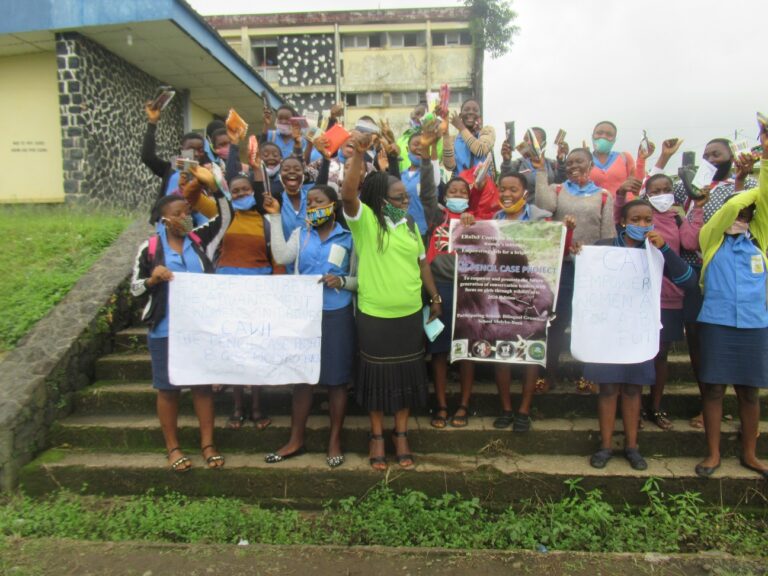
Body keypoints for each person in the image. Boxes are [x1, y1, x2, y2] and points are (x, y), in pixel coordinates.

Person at [342, 131, 442, 470]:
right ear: (380, 199)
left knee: (406, 379)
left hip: (410, 315)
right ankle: (376, 437)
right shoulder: (367, 224)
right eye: (397, 199)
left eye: (405, 198)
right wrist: (358, 154)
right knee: (376, 380)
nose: (403, 203)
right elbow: (347, 194)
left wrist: (435, 297)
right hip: (374, 316)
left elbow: (422, 263)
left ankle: (401, 434)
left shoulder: (411, 224)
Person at [129, 165, 233, 472]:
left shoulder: (200, 241)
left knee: (202, 387)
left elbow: (226, 217)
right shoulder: (148, 249)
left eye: (188, 210)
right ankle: (173, 448)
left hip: (199, 331)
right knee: (168, 389)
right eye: (179, 212)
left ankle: (207, 444)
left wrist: (214, 188)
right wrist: (152, 280)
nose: (186, 215)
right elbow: (134, 289)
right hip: (165, 330)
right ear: (164, 219)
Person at [583, 199, 697, 470]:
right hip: (607, 330)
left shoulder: (656, 251)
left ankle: (632, 447)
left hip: (639, 330)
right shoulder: (604, 247)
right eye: (636, 220)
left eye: (648, 220)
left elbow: (688, 281)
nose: (643, 225)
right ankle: (606, 446)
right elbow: (586, 278)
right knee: (608, 387)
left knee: (634, 388)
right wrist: (579, 253)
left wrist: (666, 249)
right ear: (623, 222)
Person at [655, 138, 759, 428]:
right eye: (706, 154)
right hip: (691, 275)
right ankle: (707, 403)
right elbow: (654, 189)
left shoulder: (744, 185)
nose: (711, 158)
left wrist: (739, 179)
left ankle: (738, 406)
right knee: (699, 343)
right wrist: (662, 158)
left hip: (727, 272)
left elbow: (746, 211)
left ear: (731, 157)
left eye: (717, 154)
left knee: (726, 340)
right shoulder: (691, 186)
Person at [183, 134, 282, 431]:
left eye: (244, 190)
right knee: (233, 353)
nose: (240, 194)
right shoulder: (221, 215)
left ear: (253, 191)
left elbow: (277, 258)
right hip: (227, 293)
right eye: (235, 191)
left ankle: (256, 407)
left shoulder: (266, 221)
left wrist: (278, 291)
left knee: (255, 351)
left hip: (259, 294)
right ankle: (238, 407)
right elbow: (190, 198)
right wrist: (198, 178)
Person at [262, 184, 357, 468]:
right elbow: (281, 257)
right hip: (303, 316)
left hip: (337, 314)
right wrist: (276, 217)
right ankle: (296, 439)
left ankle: (334, 441)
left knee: (337, 381)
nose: (313, 207)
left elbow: (360, 280)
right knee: (302, 379)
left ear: (333, 206)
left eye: (319, 202)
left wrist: (341, 282)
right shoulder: (300, 234)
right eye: (310, 203)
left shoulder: (349, 238)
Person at [694, 132, 768, 479]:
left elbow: (763, 198)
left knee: (750, 392)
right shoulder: (712, 239)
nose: (745, 215)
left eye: (750, 212)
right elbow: (727, 210)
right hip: (717, 321)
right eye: (741, 210)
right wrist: (738, 194)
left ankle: (750, 455)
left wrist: (763, 161)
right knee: (713, 389)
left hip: (754, 323)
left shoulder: (761, 241)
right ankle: (713, 454)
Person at [614, 173, 706, 430]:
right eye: (656, 190)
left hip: (669, 297)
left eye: (666, 189)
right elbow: (618, 217)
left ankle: (654, 406)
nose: (662, 194)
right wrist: (621, 194)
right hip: (636, 297)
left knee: (661, 353)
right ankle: (631, 408)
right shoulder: (632, 218)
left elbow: (689, 241)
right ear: (647, 193)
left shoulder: (676, 217)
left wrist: (697, 210)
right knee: (630, 351)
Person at [534, 148, 615, 391]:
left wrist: (594, 259)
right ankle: (549, 375)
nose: (573, 166)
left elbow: (608, 234)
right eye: (569, 163)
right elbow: (543, 206)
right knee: (557, 323)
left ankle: (589, 375)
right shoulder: (558, 190)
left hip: (591, 269)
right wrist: (540, 171)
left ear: (591, 165)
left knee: (588, 322)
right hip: (563, 267)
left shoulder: (603, 195)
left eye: (579, 161)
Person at [499, 127, 567, 204]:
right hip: (525, 212)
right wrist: (506, 161)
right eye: (525, 140)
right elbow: (504, 182)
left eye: (531, 139)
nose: (527, 143)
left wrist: (561, 162)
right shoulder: (518, 164)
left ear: (543, 143)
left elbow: (561, 182)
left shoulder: (551, 164)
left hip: (548, 211)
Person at [589, 121, 646, 197]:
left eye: (609, 135)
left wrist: (641, 160)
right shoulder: (585, 160)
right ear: (592, 136)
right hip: (594, 207)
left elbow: (637, 184)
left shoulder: (624, 157)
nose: (603, 137)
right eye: (599, 133)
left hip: (623, 207)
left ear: (614, 139)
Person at [443, 99, 496, 176]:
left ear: (480, 117)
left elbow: (480, 150)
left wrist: (460, 126)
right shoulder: (455, 139)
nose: (471, 112)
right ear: (460, 116)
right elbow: (449, 166)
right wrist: (445, 133)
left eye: (475, 110)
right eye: (466, 110)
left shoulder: (487, 131)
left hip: (483, 186)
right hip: (461, 186)